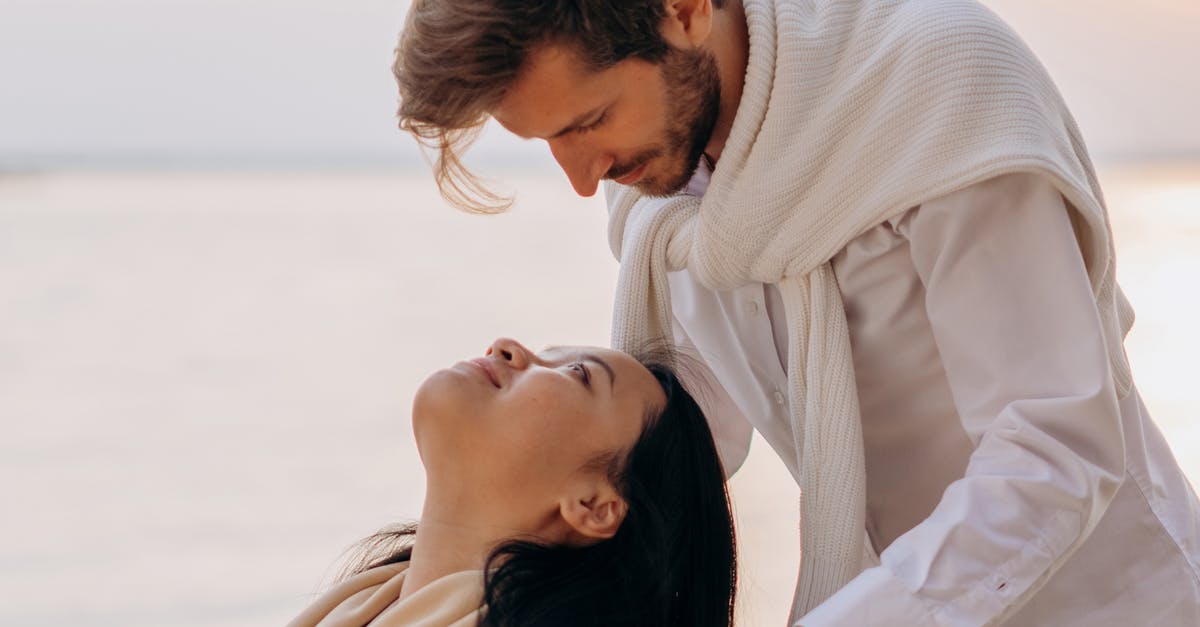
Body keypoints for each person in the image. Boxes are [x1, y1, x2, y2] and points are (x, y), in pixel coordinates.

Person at [391, 0, 1200, 625]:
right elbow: (676, 437)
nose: (583, 176)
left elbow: (1055, 450)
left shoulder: (932, 87)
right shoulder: (660, 190)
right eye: (548, 143)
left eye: (589, 122)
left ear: (683, 10)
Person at [288, 338, 737, 627]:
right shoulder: (358, 605)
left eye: (577, 375)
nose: (508, 347)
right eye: (550, 353)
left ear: (593, 504)